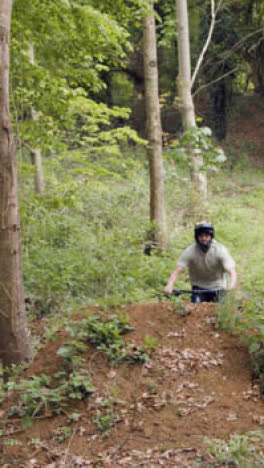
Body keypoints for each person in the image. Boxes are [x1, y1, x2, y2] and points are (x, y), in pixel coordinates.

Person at [164, 222, 237, 303]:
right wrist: (169, 285)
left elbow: (232, 271)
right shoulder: (190, 251)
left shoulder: (220, 250)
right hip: (198, 288)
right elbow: (177, 270)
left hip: (218, 286)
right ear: (197, 237)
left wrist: (232, 285)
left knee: (221, 310)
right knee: (196, 308)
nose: (204, 239)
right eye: (201, 236)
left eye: (206, 236)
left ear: (211, 237)